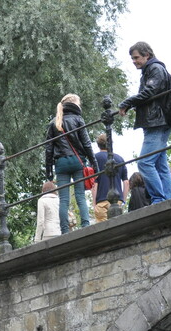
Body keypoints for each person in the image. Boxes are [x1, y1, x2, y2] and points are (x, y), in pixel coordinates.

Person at [118, 41, 171, 203]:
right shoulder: (150, 70)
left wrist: (127, 103)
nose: (134, 61)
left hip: (157, 122)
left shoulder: (155, 69)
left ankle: (159, 198)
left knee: (144, 162)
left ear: (147, 55)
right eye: (132, 59)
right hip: (157, 121)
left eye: (136, 57)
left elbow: (150, 91)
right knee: (160, 164)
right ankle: (167, 198)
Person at [44, 93, 96, 234]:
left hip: (61, 163)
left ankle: (65, 230)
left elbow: (48, 149)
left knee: (64, 199)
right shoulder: (78, 119)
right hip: (77, 160)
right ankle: (86, 226)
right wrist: (93, 161)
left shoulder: (54, 122)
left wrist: (48, 168)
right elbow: (86, 143)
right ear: (75, 104)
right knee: (80, 196)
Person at [91, 134, 129, 222]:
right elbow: (126, 183)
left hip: (101, 202)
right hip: (117, 201)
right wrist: (123, 200)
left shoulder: (95, 158)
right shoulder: (120, 159)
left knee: (103, 231)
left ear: (98, 145)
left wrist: (94, 204)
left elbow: (94, 183)